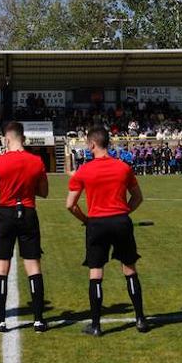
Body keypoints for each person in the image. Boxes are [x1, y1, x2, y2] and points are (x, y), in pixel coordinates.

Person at [65, 127, 150, 336]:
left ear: (92, 145)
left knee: (96, 272)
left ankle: (96, 325)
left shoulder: (84, 170)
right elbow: (138, 197)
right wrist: (123, 213)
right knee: (129, 269)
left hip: (97, 223)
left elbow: (70, 205)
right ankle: (140, 319)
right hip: (121, 222)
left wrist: (86, 220)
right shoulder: (123, 167)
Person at [0, 121, 49, 334]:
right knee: (33, 266)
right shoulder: (36, 161)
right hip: (28, 212)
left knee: (1, 267)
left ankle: (0, 320)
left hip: (6, 213)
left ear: (7, 139)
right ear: (23, 138)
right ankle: (38, 320)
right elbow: (44, 192)